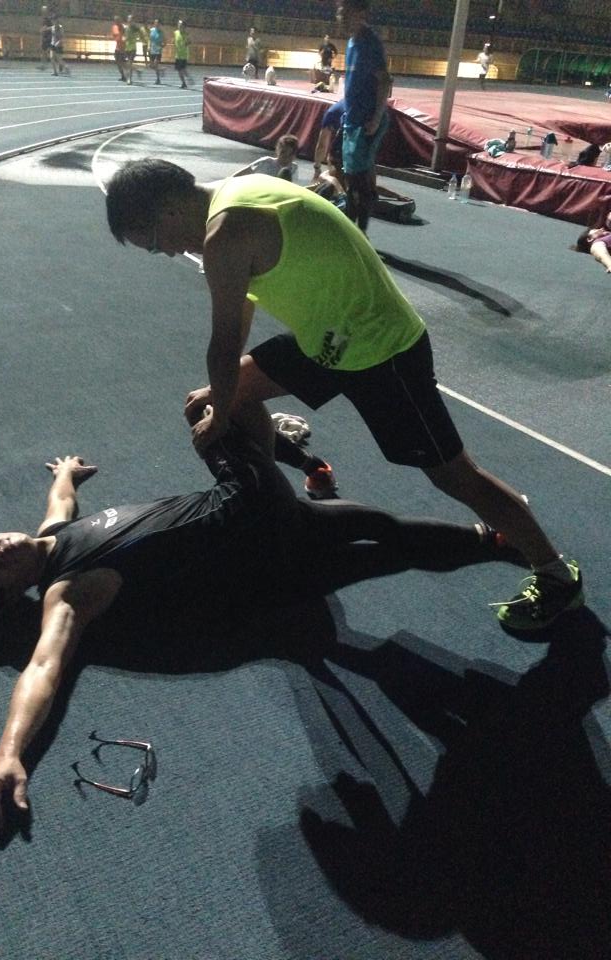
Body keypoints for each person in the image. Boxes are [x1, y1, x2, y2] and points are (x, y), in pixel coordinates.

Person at [0, 406, 518, 841]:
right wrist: (8, 756)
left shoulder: (52, 534)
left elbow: (61, 502)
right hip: (252, 521)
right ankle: (291, 448)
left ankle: (499, 540)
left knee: (383, 531)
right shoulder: (66, 594)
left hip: (263, 531)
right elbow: (44, 667)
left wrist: (65, 473)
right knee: (213, 404)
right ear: (9, 594)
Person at [104, 159, 584, 631]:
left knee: (455, 476)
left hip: (380, 352)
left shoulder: (226, 233)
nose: (167, 253)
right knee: (219, 397)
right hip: (329, 338)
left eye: (154, 244)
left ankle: (555, 574)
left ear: (166, 211)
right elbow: (242, 311)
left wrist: (221, 417)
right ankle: (274, 513)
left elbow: (224, 344)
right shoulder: (238, 191)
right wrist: (224, 401)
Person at [338, 0, 391, 233]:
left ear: (360, 13)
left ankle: (360, 233)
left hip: (366, 122)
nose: (341, 18)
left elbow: (384, 81)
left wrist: (376, 118)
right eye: (340, 13)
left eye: (346, 13)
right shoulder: (352, 42)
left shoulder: (370, 43)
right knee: (351, 178)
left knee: (358, 180)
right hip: (352, 119)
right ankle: (355, 231)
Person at [232, 135, 300, 183]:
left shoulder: (294, 168)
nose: (286, 156)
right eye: (283, 152)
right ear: (277, 150)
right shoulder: (266, 162)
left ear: (295, 155)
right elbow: (238, 175)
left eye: (290, 154)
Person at [124, 15, 145, 84]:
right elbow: (124, 36)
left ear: (133, 21)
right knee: (128, 64)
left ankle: (129, 79)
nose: (130, 21)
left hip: (133, 48)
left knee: (129, 63)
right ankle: (137, 70)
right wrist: (124, 39)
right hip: (126, 47)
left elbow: (141, 34)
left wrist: (140, 38)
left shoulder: (135, 28)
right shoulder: (126, 28)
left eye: (131, 20)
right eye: (129, 19)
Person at [174, 20, 191, 89]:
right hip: (177, 55)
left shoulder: (186, 34)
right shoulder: (176, 32)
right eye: (178, 25)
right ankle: (184, 82)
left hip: (184, 55)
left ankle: (187, 79)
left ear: (184, 26)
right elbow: (175, 40)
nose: (179, 26)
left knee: (182, 69)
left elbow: (189, 42)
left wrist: (187, 43)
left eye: (181, 25)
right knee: (179, 70)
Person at [148, 18, 165, 85]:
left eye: (157, 22)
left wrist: (163, 45)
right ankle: (161, 70)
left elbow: (165, 41)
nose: (156, 24)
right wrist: (149, 46)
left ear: (159, 24)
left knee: (155, 64)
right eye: (155, 22)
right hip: (152, 50)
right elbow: (149, 39)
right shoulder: (151, 30)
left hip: (158, 51)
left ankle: (158, 79)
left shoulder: (161, 32)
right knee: (151, 66)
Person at [110, 15, 126, 81]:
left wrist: (123, 40)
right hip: (117, 48)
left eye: (117, 20)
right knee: (118, 63)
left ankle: (132, 71)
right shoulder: (115, 27)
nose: (116, 22)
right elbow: (114, 36)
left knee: (123, 63)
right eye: (115, 20)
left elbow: (126, 37)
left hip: (123, 49)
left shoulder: (124, 27)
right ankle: (123, 76)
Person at [39, 5, 53, 71]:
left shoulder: (48, 19)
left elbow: (52, 27)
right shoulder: (44, 19)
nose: (43, 12)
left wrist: (44, 29)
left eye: (44, 10)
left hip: (48, 38)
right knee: (43, 52)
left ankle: (60, 65)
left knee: (50, 52)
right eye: (42, 10)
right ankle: (43, 65)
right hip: (45, 37)